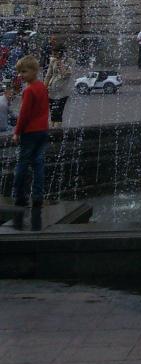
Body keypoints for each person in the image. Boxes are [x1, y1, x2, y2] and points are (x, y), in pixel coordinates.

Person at [10, 55, 50, 231]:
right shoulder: (42, 86)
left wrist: (17, 132)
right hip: (42, 131)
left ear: (34, 71)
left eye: (24, 72)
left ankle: (19, 196)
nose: (20, 75)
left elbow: (24, 114)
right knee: (39, 163)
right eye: (19, 72)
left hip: (30, 133)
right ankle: (38, 196)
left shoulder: (29, 90)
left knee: (22, 163)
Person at [44, 46, 72, 125]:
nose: (53, 56)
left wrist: (61, 64)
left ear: (61, 53)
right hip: (51, 90)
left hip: (62, 91)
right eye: (53, 54)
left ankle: (57, 129)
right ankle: (52, 128)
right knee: (53, 113)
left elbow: (67, 75)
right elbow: (48, 75)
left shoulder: (70, 61)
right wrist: (44, 88)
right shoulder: (53, 61)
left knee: (58, 113)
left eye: (55, 54)